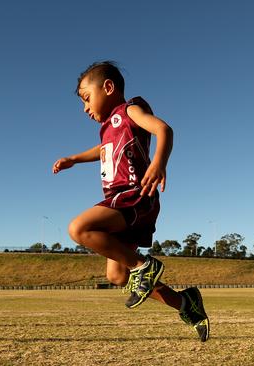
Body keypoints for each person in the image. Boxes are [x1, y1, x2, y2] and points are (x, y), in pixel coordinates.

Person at [52, 61, 209, 341]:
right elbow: (103, 149)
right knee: (117, 275)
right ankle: (187, 304)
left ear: (108, 88)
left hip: (133, 196)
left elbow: (164, 129)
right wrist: (74, 159)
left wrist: (159, 162)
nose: (85, 108)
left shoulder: (129, 111)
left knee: (79, 229)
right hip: (121, 201)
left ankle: (143, 266)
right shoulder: (109, 128)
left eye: (87, 99)